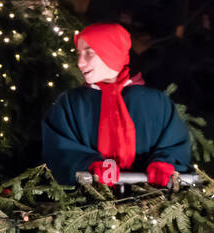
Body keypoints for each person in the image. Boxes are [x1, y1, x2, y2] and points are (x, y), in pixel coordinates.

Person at [42, 23, 191, 186]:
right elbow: (58, 148)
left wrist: (164, 163)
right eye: (78, 53)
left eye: (89, 53)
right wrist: (89, 164)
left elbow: (174, 143)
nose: (80, 63)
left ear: (111, 52)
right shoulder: (70, 104)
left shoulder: (155, 103)